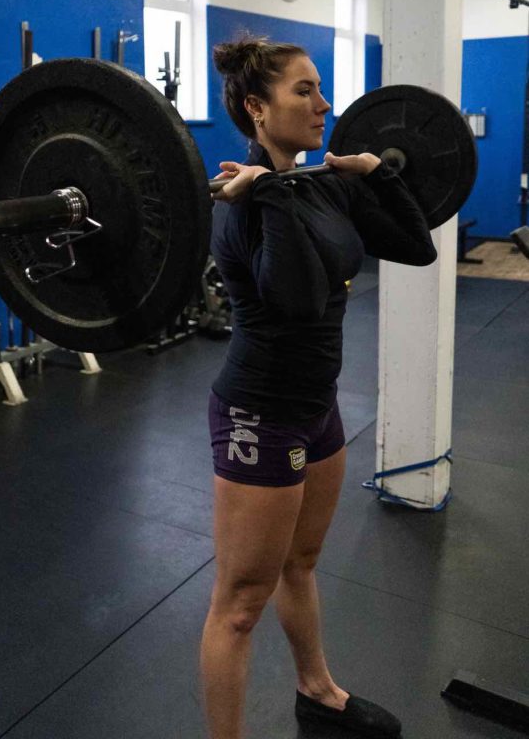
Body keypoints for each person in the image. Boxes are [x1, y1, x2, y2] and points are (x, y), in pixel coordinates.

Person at [200, 36, 437, 739]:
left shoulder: (321, 183)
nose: (323, 104)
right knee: (239, 603)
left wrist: (376, 174)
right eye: (303, 90)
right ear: (255, 107)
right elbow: (297, 299)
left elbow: (416, 246)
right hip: (258, 413)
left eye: (319, 88)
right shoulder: (240, 208)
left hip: (317, 408)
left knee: (300, 563)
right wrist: (267, 187)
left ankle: (316, 690)